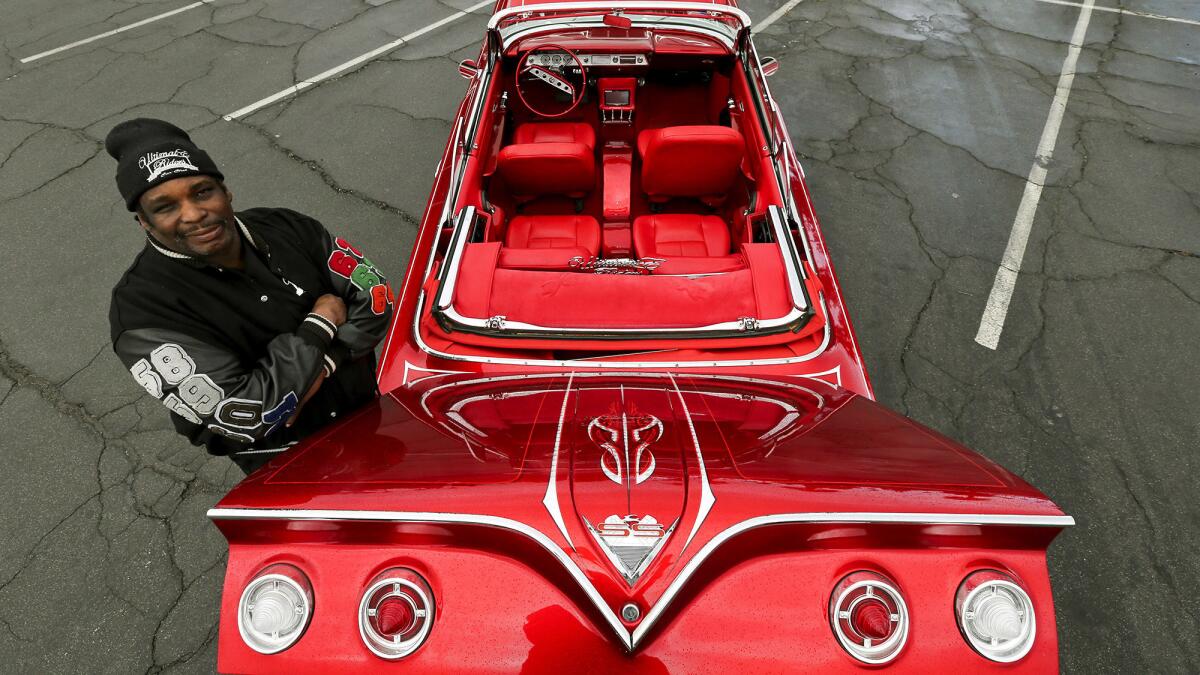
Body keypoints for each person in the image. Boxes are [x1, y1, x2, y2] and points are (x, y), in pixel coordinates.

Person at [106, 118, 395, 474]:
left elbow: (375, 295)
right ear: (144, 222)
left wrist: (327, 361)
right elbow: (249, 410)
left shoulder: (288, 226)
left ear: (225, 191)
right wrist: (320, 323)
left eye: (202, 192)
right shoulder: (140, 312)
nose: (194, 214)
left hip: (367, 412)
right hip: (289, 463)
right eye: (166, 207)